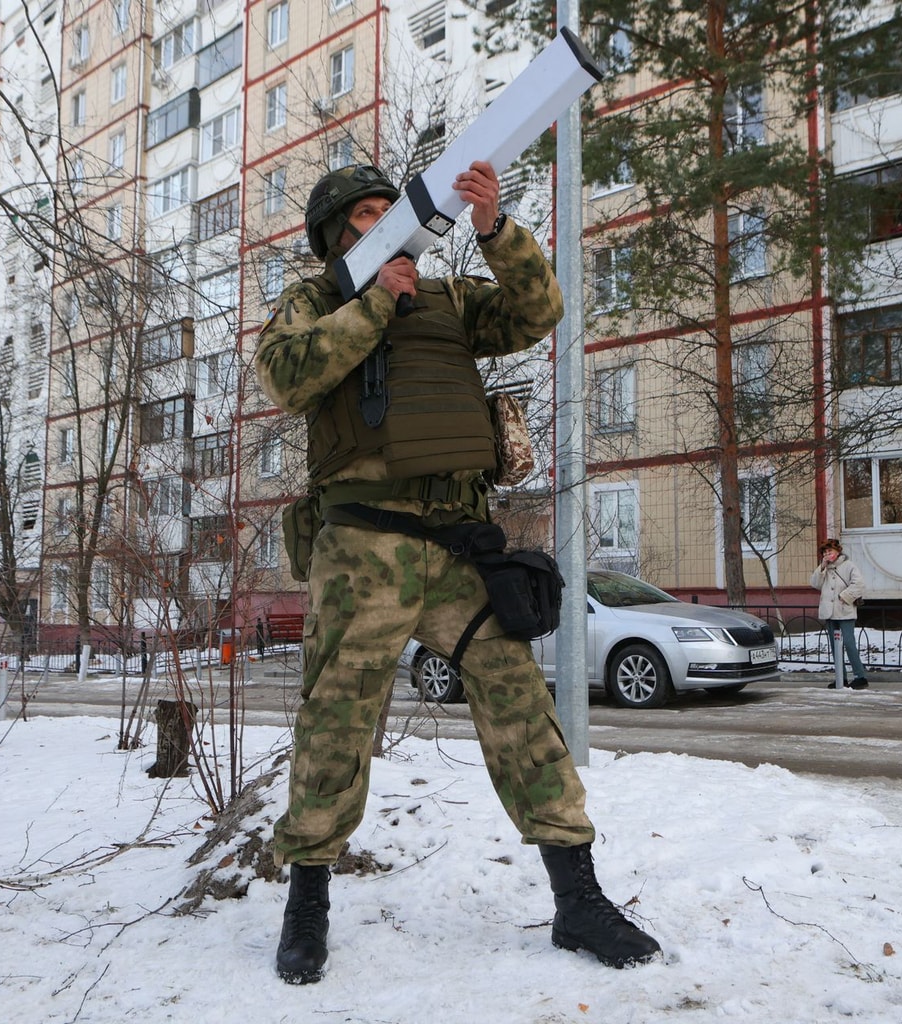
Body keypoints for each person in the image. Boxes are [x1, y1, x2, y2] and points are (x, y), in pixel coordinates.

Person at [253, 161, 660, 985]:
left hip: (457, 542)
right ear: (337, 237)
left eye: (388, 211)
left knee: (520, 706)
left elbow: (537, 311)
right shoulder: (316, 300)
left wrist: (493, 229)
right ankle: (307, 901)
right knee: (335, 718)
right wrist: (373, 304)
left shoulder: (448, 299)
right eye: (364, 216)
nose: (382, 224)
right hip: (363, 546)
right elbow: (286, 373)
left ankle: (577, 898)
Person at [810, 538, 868, 689]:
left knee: (849, 643)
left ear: (837, 552)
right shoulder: (825, 568)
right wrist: (822, 567)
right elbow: (815, 584)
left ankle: (860, 676)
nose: (827, 554)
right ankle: (840, 678)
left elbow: (859, 584)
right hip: (829, 613)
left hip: (844, 611)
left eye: (830, 551)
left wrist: (844, 596)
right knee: (835, 647)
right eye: (825, 552)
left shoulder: (849, 566)